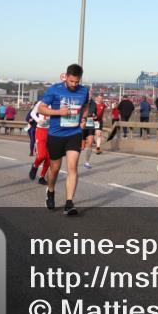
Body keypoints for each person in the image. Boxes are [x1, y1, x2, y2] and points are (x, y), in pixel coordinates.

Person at [38, 64, 90, 215]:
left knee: (72, 168)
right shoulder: (54, 89)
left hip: (74, 133)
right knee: (54, 169)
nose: (74, 84)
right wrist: (58, 112)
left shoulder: (84, 91)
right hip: (56, 134)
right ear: (66, 77)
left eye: (77, 82)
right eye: (71, 81)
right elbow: (41, 108)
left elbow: (86, 105)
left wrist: (84, 118)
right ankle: (51, 190)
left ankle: (69, 203)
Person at [28, 98, 50, 185]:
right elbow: (32, 113)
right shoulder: (41, 102)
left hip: (52, 131)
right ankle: (35, 166)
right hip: (41, 130)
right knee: (42, 156)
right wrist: (38, 120)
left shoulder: (57, 103)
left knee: (49, 157)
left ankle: (42, 177)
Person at [81, 97, 99, 169]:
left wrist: (95, 116)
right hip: (82, 124)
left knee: (90, 142)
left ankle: (87, 162)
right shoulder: (81, 101)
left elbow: (96, 115)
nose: (90, 96)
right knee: (81, 146)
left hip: (90, 124)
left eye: (91, 94)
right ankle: (73, 159)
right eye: (88, 94)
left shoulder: (94, 104)